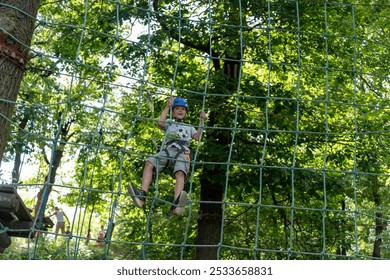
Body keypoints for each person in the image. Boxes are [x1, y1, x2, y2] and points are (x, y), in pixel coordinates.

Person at [128, 97, 207, 216]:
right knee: (149, 162)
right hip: (167, 150)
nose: (180, 111)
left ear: (186, 112)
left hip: (183, 151)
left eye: (183, 109)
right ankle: (142, 195)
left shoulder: (189, 127)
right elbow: (160, 122)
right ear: (173, 112)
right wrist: (167, 107)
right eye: (177, 109)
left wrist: (201, 121)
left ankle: (177, 203)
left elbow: (197, 137)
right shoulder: (170, 123)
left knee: (180, 173)